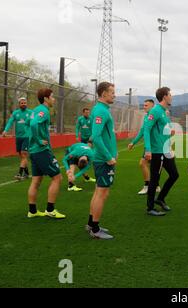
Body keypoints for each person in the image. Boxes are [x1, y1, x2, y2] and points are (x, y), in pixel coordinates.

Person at [27, 88, 65, 219]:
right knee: (57, 178)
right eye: (52, 97)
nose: (54, 99)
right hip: (41, 151)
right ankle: (50, 210)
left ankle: (32, 211)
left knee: (36, 180)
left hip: (33, 151)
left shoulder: (36, 110)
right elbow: (33, 125)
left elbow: (30, 123)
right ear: (46, 98)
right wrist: (38, 140)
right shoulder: (44, 110)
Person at [87, 82, 117, 239]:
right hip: (103, 160)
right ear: (104, 93)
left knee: (99, 191)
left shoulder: (102, 110)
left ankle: (91, 224)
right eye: (112, 92)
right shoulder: (100, 111)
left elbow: (95, 136)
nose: (114, 94)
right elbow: (97, 136)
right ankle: (95, 229)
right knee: (102, 193)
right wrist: (108, 157)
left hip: (102, 158)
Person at [143, 87, 179, 216]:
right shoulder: (156, 111)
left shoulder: (164, 112)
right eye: (170, 94)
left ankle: (160, 198)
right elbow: (147, 129)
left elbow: (162, 131)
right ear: (164, 96)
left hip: (166, 150)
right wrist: (148, 150)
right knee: (154, 179)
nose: (171, 96)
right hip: (158, 152)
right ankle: (150, 208)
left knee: (174, 175)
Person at [127, 99, 160, 195]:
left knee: (143, 164)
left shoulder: (154, 116)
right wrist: (133, 142)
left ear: (152, 107)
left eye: (146, 105)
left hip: (154, 146)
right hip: (150, 145)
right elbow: (142, 131)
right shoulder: (146, 117)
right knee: (151, 166)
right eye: (144, 105)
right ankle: (156, 186)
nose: (144, 107)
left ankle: (147, 186)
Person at [2, 97, 32, 180]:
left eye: (25, 103)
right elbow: (10, 122)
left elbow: (35, 122)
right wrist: (5, 130)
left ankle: (20, 173)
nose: (24, 104)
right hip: (18, 137)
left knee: (24, 154)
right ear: (19, 104)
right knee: (22, 156)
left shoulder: (30, 112)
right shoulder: (15, 113)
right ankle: (26, 173)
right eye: (22, 103)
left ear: (26, 103)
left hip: (27, 136)